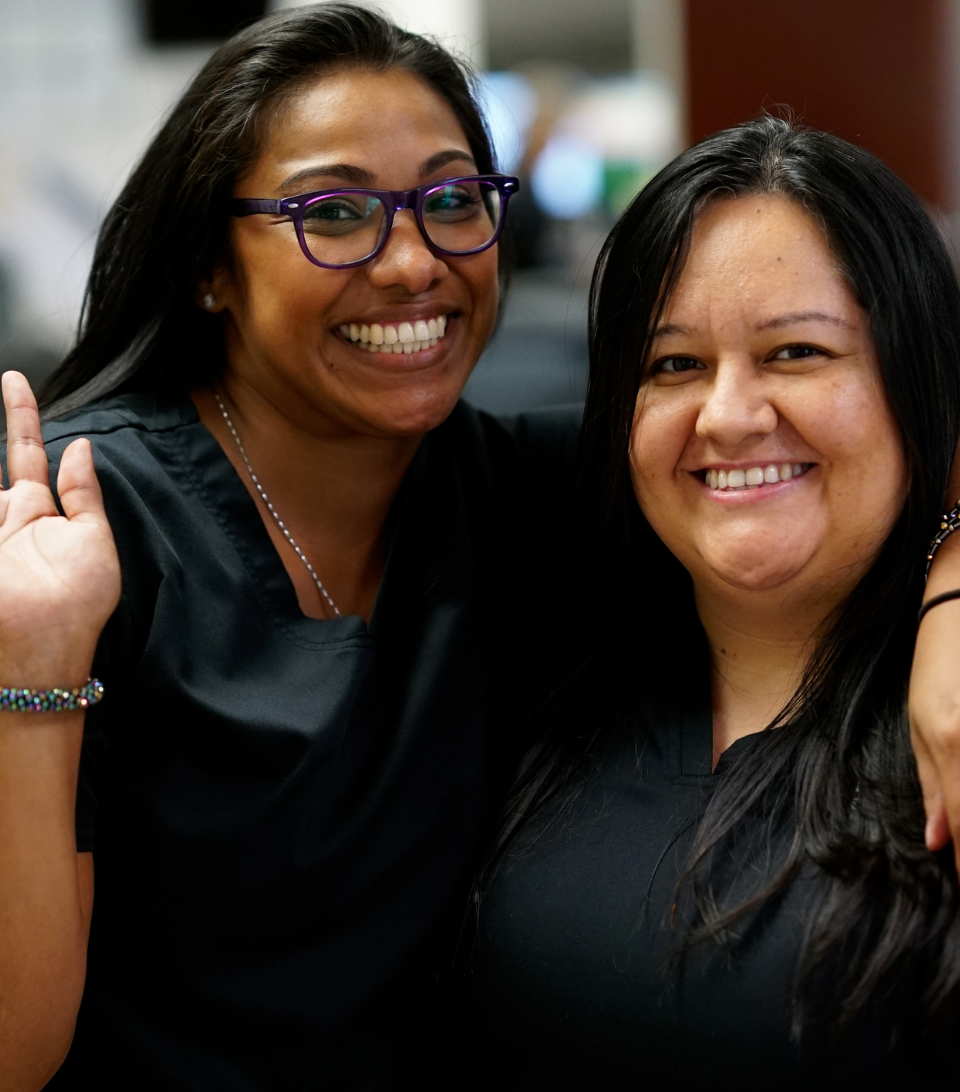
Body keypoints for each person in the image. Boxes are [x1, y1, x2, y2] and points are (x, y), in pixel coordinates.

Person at [0, 6, 578, 1089]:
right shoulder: (70, 526)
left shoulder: (517, 493)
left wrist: (948, 599)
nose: (414, 264)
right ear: (209, 266)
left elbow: (863, 448)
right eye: (337, 213)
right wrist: (30, 673)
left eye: (453, 200)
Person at [453, 117, 960, 1088]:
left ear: (918, 375)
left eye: (798, 352)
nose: (729, 416)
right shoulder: (542, 647)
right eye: (673, 364)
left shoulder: (943, 721)